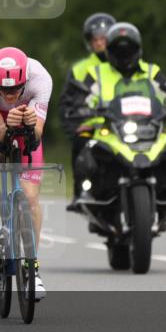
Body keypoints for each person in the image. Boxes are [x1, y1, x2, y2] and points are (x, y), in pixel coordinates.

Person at [71, 22, 166, 206]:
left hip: (151, 126)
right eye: (118, 50)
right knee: (81, 139)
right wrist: (82, 109)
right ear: (109, 51)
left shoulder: (151, 71)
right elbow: (84, 96)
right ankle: (82, 191)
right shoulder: (97, 73)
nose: (124, 54)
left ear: (138, 50)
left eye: (128, 49)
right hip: (108, 128)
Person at [0, 47, 52, 299]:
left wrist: (29, 122)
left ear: (25, 80)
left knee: (31, 198)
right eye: (3, 90)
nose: (10, 95)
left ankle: (32, 269)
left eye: (15, 89)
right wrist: (7, 124)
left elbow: (36, 135)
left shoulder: (41, 78)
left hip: (26, 118)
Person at [58, 13, 115, 202]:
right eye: (95, 39)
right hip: (94, 126)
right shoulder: (80, 69)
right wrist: (74, 128)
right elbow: (67, 103)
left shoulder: (126, 63)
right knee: (80, 141)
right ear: (89, 42)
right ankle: (81, 190)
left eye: (103, 38)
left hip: (124, 122)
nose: (99, 43)